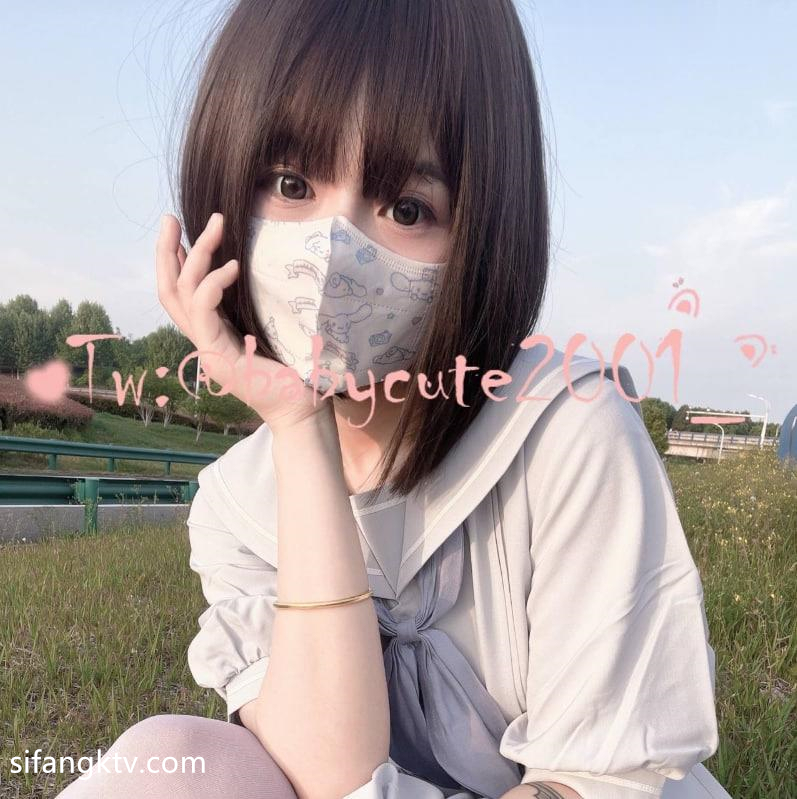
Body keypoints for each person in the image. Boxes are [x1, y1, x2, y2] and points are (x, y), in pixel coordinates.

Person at [56, 1, 733, 798]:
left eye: (406, 209)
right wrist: (299, 428)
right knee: (166, 759)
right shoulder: (240, 503)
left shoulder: (564, 436)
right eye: (291, 184)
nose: (333, 254)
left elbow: (590, 780)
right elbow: (326, 770)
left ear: (483, 232)